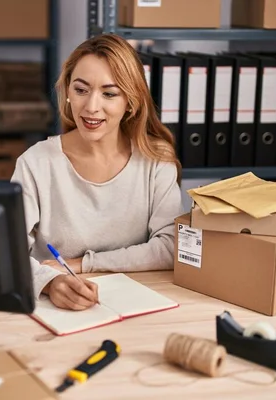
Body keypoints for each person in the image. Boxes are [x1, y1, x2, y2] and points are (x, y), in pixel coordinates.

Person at [11, 34, 184, 311]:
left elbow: (169, 248)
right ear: (67, 92)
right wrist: (48, 281)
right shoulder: (35, 163)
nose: (91, 107)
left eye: (109, 93)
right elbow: (9, 252)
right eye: (81, 90)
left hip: (138, 304)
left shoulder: (155, 160)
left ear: (131, 101)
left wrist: (84, 264)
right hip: (58, 309)